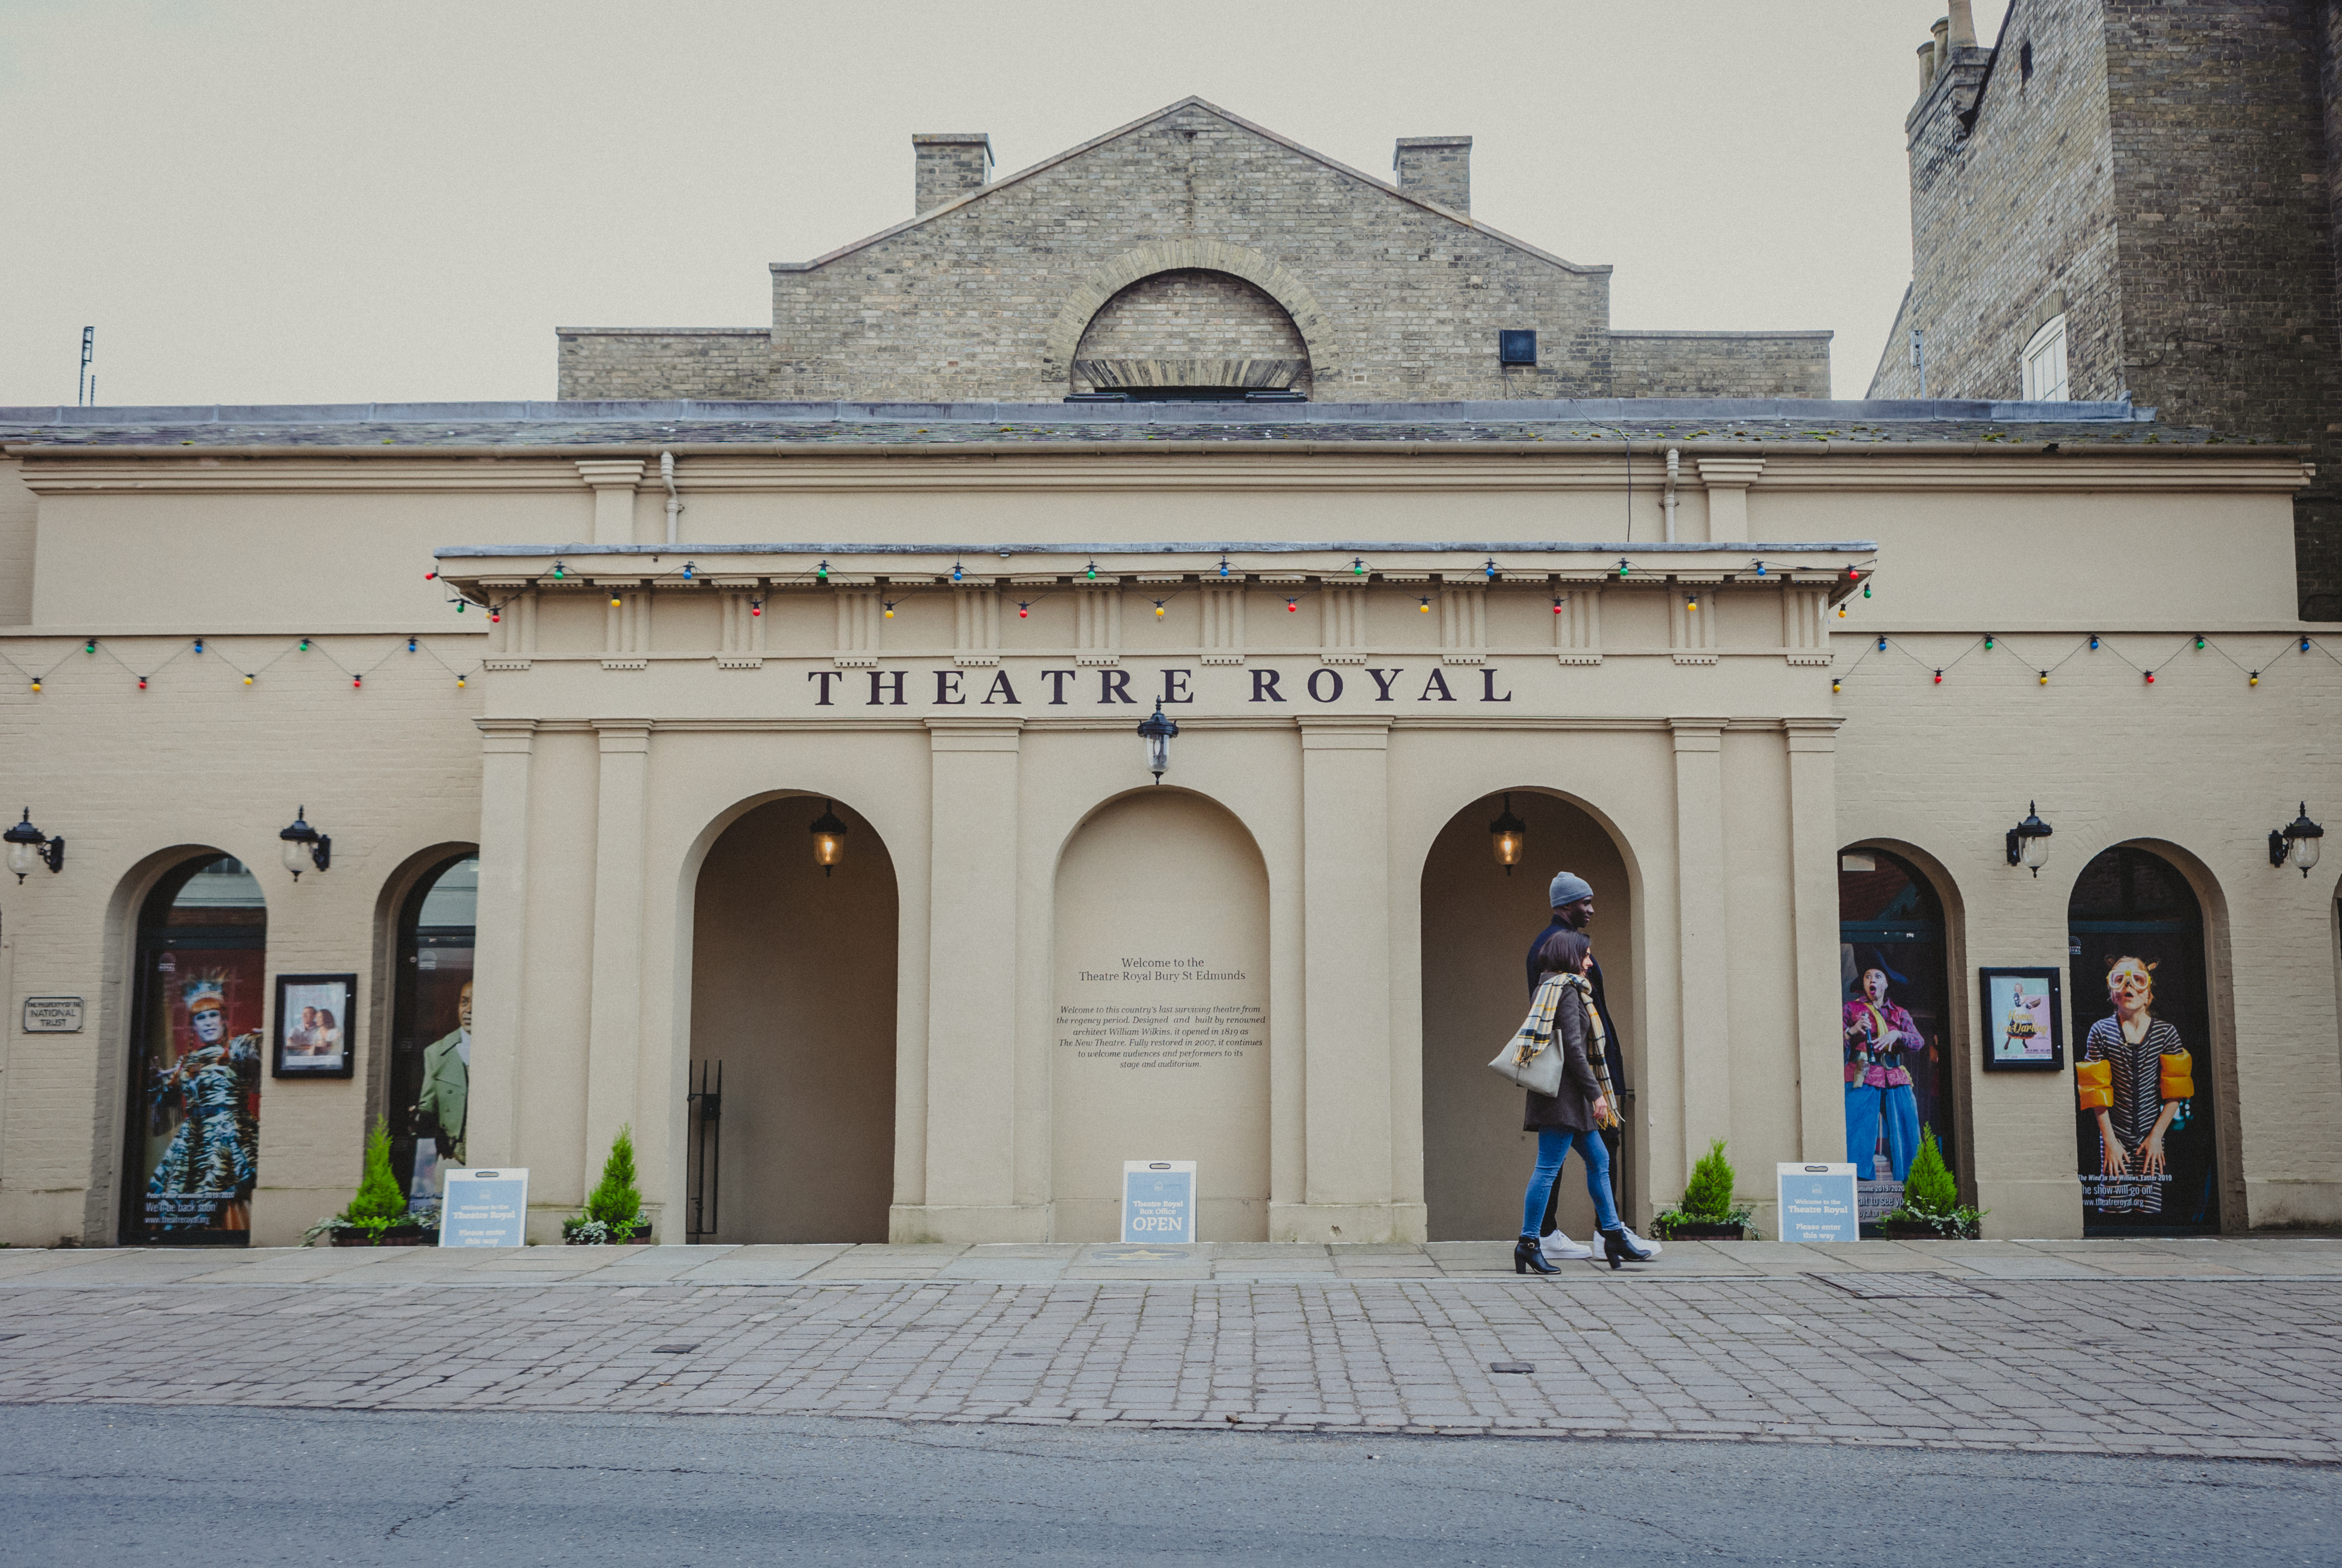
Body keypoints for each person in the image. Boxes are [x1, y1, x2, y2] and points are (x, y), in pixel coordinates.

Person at [1524, 872, 1658, 1262]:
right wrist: (1597, 1092)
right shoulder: (1564, 983)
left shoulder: (1566, 976)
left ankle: (1610, 1233)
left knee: (1599, 1158)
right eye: (1585, 902)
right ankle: (1534, 1240)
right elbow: (1570, 1043)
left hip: (1576, 1090)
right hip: (1569, 1091)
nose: (1591, 963)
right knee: (1550, 1165)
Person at [147, 973, 262, 1232]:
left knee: (221, 1184)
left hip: (230, 1136)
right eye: (201, 1018)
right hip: (194, 1138)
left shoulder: (237, 1048)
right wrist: (155, 1082)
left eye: (213, 1016)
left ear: (223, 1020)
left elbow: (262, 1047)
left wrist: (270, 1038)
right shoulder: (185, 1062)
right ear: (194, 1026)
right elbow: (166, 1102)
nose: (208, 1023)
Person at [2077, 955, 2190, 1217]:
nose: (2129, 987)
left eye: (2138, 980)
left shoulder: (2166, 1032)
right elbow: (2095, 1091)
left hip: (2152, 1135)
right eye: (2120, 980)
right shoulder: (2101, 1031)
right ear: (2113, 992)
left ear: (2148, 991)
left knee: (2148, 1207)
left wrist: (2157, 1137)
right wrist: (2111, 1143)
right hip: (2114, 1135)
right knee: (2115, 1208)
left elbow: (2176, 1090)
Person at [1843, 955, 1929, 1183]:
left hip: (1894, 1076)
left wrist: (1898, 1034)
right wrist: (1852, 1031)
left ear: (1886, 983)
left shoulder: (1899, 1013)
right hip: (1861, 1074)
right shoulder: (1851, 1009)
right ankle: (1858, 1184)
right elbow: (1830, 1045)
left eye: (1878, 976)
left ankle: (1912, 1180)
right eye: (1868, 976)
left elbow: (1918, 1042)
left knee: (1907, 1127)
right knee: (1857, 1132)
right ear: (1863, 984)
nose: (1872, 980)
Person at [413, 980, 473, 1167]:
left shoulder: (503, 1050)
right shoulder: (436, 1053)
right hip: (451, 1156)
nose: (469, 1010)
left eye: (478, 1004)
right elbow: (427, 1107)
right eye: (464, 1002)